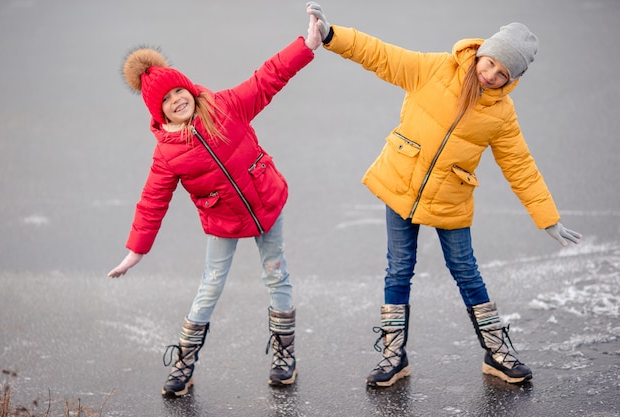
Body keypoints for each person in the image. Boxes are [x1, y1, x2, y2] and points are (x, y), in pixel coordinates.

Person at [307, 2, 582, 387]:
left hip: (451, 198)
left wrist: (547, 217)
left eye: (502, 74)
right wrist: (334, 36)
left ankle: (496, 352)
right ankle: (393, 353)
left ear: (511, 79)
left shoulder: (502, 115)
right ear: (482, 52)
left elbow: (520, 166)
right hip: (401, 184)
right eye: (490, 64)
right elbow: (381, 55)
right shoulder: (435, 69)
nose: (491, 75)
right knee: (399, 269)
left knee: (466, 271)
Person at [107, 13, 322, 396]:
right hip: (222, 219)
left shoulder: (225, 105)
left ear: (188, 88)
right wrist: (135, 251)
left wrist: (306, 45)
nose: (176, 100)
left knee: (276, 274)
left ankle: (283, 356)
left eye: (178, 92)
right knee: (210, 286)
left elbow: (267, 78)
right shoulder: (167, 153)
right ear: (158, 111)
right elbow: (152, 201)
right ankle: (184, 361)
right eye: (166, 100)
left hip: (266, 201)